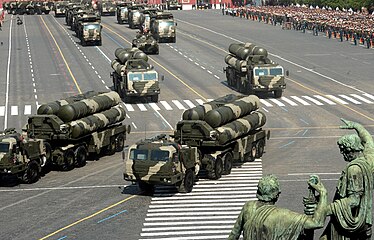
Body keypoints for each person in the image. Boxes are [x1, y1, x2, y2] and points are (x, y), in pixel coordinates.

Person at [319, 119, 374, 240]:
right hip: (364, 221)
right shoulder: (369, 159)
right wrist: (356, 126)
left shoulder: (354, 169)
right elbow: (368, 139)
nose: (342, 154)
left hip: (350, 221)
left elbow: (354, 200)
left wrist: (326, 209)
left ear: (349, 151)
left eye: (343, 151)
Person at [228, 174, 328, 240]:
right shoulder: (282, 215)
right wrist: (323, 193)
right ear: (277, 195)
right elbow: (317, 223)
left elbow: (233, 235)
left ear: (258, 193)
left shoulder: (248, 207)